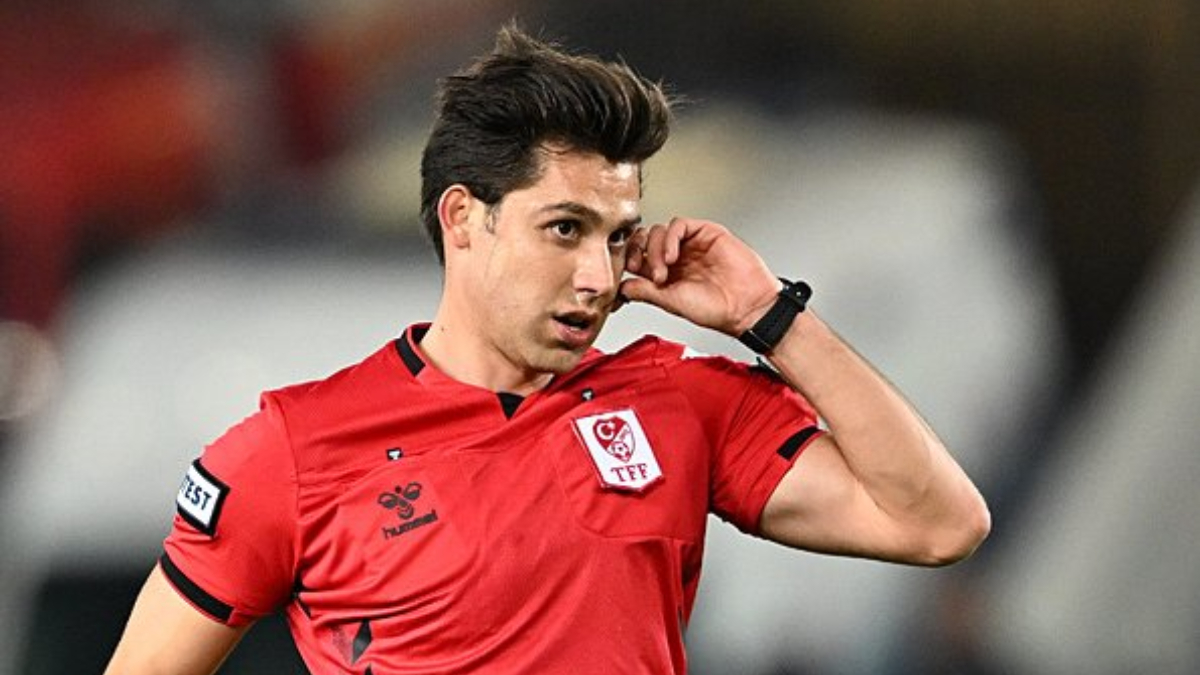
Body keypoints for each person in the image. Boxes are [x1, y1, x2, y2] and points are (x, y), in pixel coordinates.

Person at [103, 23, 989, 675]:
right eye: (565, 228)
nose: (599, 276)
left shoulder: (680, 401)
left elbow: (937, 522)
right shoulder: (291, 451)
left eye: (617, 235)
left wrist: (769, 314)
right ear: (464, 218)